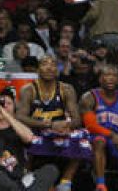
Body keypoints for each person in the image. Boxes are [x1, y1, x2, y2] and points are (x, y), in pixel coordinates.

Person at [17, 55, 92, 191]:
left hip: (59, 130)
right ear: (38, 69)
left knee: (83, 136)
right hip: (36, 128)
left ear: (57, 70)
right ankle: (26, 175)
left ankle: (66, 181)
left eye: (53, 64)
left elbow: (77, 119)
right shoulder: (29, 89)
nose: (50, 67)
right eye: (45, 64)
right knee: (27, 137)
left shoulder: (66, 89)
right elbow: (20, 117)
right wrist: (49, 125)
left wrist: (66, 125)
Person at [0, 87, 59, 191]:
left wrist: (5, 114)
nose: (3, 106)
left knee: (50, 170)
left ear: (15, 107)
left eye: (8, 103)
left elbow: (29, 138)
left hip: (17, 179)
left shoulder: (18, 128)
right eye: (0, 103)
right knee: (1, 178)